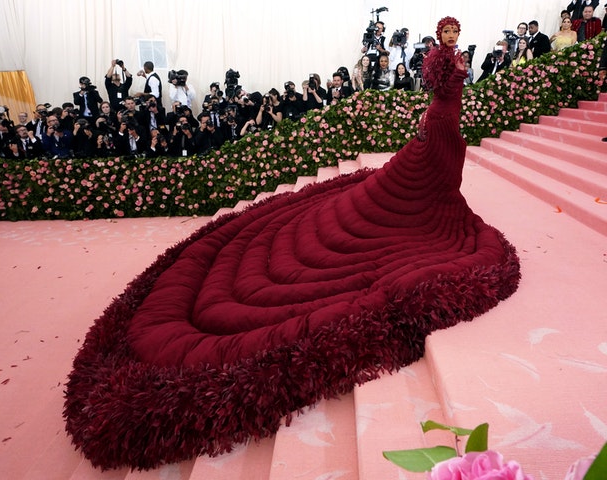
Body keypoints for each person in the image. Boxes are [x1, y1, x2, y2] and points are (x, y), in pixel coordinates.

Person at [63, 15, 521, 470]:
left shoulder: (459, 61)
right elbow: (440, 93)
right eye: (446, 32)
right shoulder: (439, 62)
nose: (452, 38)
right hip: (438, 122)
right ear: (438, 35)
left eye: (455, 33)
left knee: (436, 177)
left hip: (444, 125)